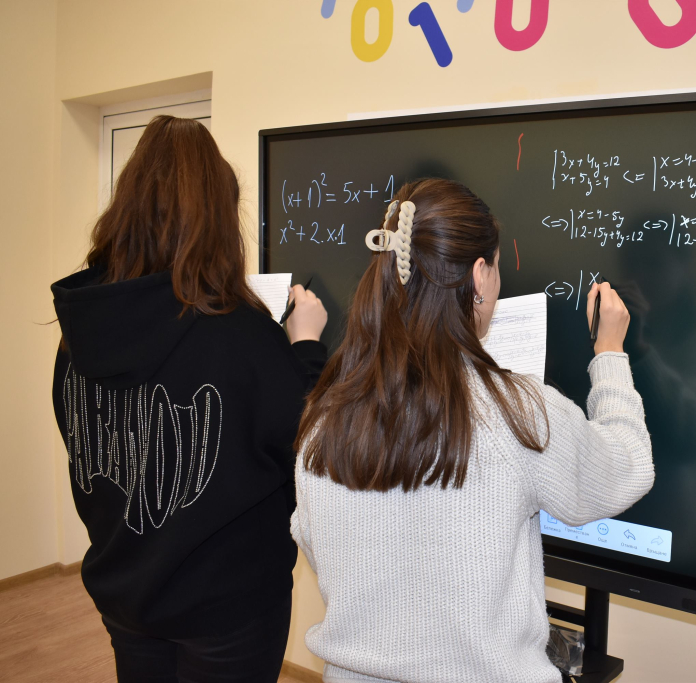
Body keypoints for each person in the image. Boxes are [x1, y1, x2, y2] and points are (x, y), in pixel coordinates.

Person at [291, 178, 654, 683]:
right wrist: (610, 353)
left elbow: (313, 540)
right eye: (498, 265)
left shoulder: (325, 417)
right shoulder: (515, 411)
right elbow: (626, 470)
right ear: (480, 276)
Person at [50, 115, 328, 682]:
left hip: (126, 592)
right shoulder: (240, 332)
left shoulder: (79, 332)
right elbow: (307, 444)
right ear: (218, 220)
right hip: (228, 608)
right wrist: (305, 348)